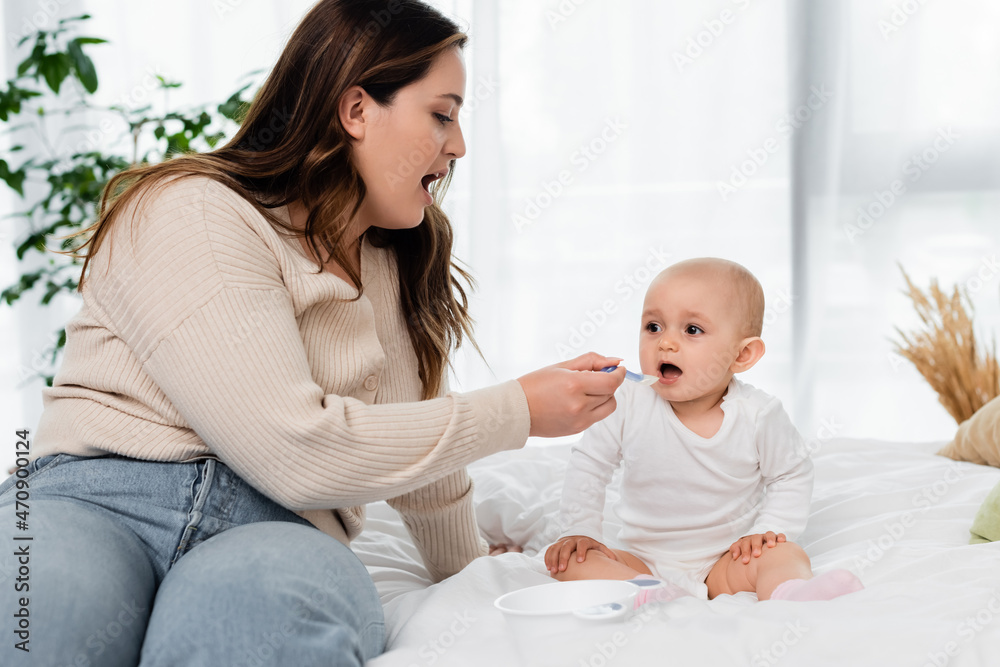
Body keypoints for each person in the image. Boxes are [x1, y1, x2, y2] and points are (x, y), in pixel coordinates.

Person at [0, 2, 627, 665]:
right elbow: (293, 451)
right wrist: (520, 409)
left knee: (252, 624)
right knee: (45, 620)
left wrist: (468, 567)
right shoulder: (194, 211)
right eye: (442, 113)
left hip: (278, 534)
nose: (459, 145)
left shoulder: (394, 263)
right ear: (356, 110)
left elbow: (420, 460)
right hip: (98, 503)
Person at [544, 258, 864, 602]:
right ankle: (649, 592)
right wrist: (579, 531)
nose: (665, 343)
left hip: (726, 561)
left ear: (742, 355)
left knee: (785, 554)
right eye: (653, 327)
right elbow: (590, 465)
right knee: (568, 563)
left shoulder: (758, 414)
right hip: (642, 561)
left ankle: (790, 592)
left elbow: (791, 475)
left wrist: (768, 532)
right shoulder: (626, 401)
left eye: (692, 330)